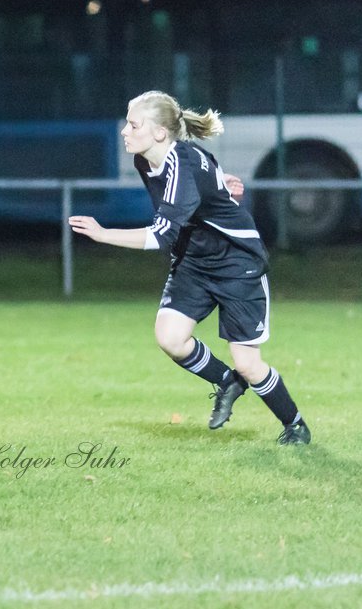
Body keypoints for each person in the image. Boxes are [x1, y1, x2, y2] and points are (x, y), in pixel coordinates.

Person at [68, 90, 311, 445]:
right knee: (170, 338)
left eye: (133, 124)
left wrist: (104, 235)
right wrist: (220, 186)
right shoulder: (146, 160)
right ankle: (227, 381)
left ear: (159, 133)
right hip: (194, 262)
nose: (124, 131)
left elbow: (165, 232)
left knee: (248, 363)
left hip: (236, 262)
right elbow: (197, 181)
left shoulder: (181, 160)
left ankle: (295, 425)